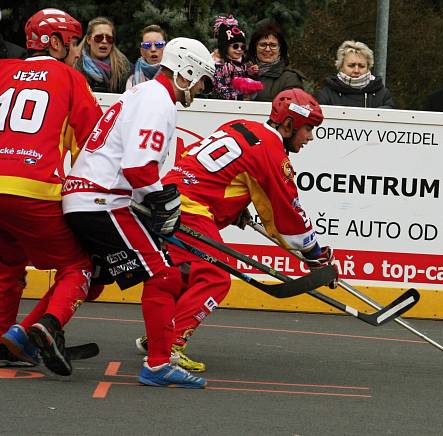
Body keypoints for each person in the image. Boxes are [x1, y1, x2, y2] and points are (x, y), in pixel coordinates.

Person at [133, 89, 337, 372]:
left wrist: (234, 207)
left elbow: (218, 174)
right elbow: (287, 215)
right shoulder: (272, 153)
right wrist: (315, 253)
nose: (310, 137)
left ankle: (159, 337)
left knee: (180, 276)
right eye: (308, 129)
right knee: (216, 278)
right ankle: (171, 346)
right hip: (190, 208)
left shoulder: (241, 125)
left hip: (167, 199)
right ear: (289, 125)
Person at [61, 37, 215, 388]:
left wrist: (155, 199)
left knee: (88, 275)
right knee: (165, 277)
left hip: (84, 195)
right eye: (201, 78)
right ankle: (159, 364)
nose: (202, 87)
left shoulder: (141, 94)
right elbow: (138, 168)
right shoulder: (158, 100)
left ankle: (27, 333)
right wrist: (162, 202)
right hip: (103, 199)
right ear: (187, 71)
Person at [0, 8, 102, 375]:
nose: (78, 53)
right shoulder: (70, 78)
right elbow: (93, 144)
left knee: (6, 265)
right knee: (78, 265)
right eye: (74, 44)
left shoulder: (1, 70)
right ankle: (49, 325)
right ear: (56, 43)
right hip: (35, 188)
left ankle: (4, 340)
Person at [315, 40, 394, 108]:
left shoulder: (382, 94)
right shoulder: (326, 94)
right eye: (351, 65)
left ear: (368, 67)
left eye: (361, 66)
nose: (356, 70)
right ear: (341, 66)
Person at [248, 21, 305, 102]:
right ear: (255, 48)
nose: (267, 49)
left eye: (273, 45)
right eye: (263, 45)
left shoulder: (289, 78)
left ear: (280, 50)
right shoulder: (241, 72)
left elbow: (293, 109)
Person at [74, 17, 131, 93]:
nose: (104, 41)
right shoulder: (74, 67)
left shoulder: (125, 69)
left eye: (109, 38)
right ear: (88, 40)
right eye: (98, 37)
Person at [210, 15, 258, 100]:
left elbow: (245, 82)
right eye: (235, 46)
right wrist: (238, 96)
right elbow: (218, 87)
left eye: (242, 47)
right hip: (223, 106)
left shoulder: (243, 64)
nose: (239, 49)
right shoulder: (220, 65)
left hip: (241, 106)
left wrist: (251, 74)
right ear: (225, 46)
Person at [126, 25, 167, 90]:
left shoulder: (175, 76)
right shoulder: (131, 79)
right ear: (142, 52)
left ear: (166, 48)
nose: (153, 49)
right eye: (147, 45)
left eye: (159, 44)